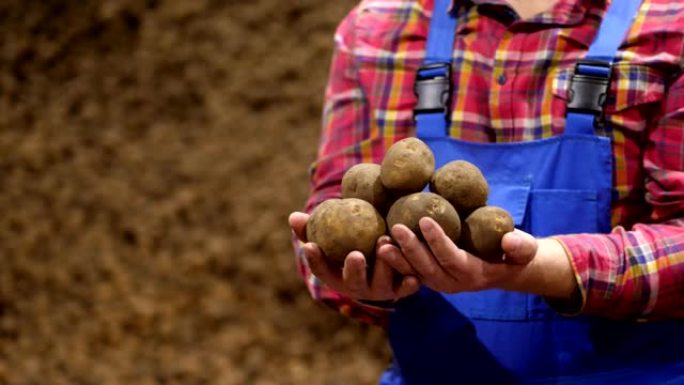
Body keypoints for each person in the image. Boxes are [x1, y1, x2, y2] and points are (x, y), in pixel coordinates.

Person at [289, 0, 684, 383]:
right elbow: (331, 210)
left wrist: (547, 267)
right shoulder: (373, 32)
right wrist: (368, 280)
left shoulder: (670, 25)